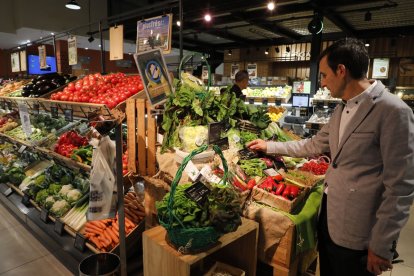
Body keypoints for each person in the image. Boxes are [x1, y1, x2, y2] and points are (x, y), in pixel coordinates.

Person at [247, 38, 414, 276]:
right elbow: (313, 144)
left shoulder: (394, 111)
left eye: (324, 75)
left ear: (342, 71)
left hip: (360, 232)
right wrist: (269, 146)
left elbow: (400, 187)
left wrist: (382, 245)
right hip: (329, 219)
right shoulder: (341, 109)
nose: (323, 83)